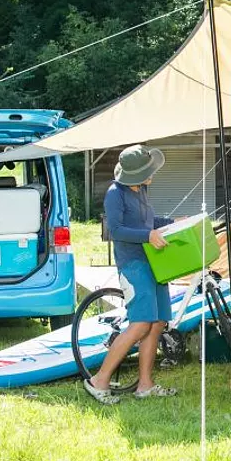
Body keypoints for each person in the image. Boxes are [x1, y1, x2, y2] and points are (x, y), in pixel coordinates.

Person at [84, 144, 178, 404]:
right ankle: (99, 380)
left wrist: (173, 222)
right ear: (135, 174)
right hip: (133, 265)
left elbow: (147, 222)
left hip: (155, 263)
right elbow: (116, 230)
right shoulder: (116, 194)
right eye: (148, 171)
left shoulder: (142, 190)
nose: (152, 174)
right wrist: (148, 236)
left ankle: (145, 385)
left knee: (157, 322)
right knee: (141, 324)